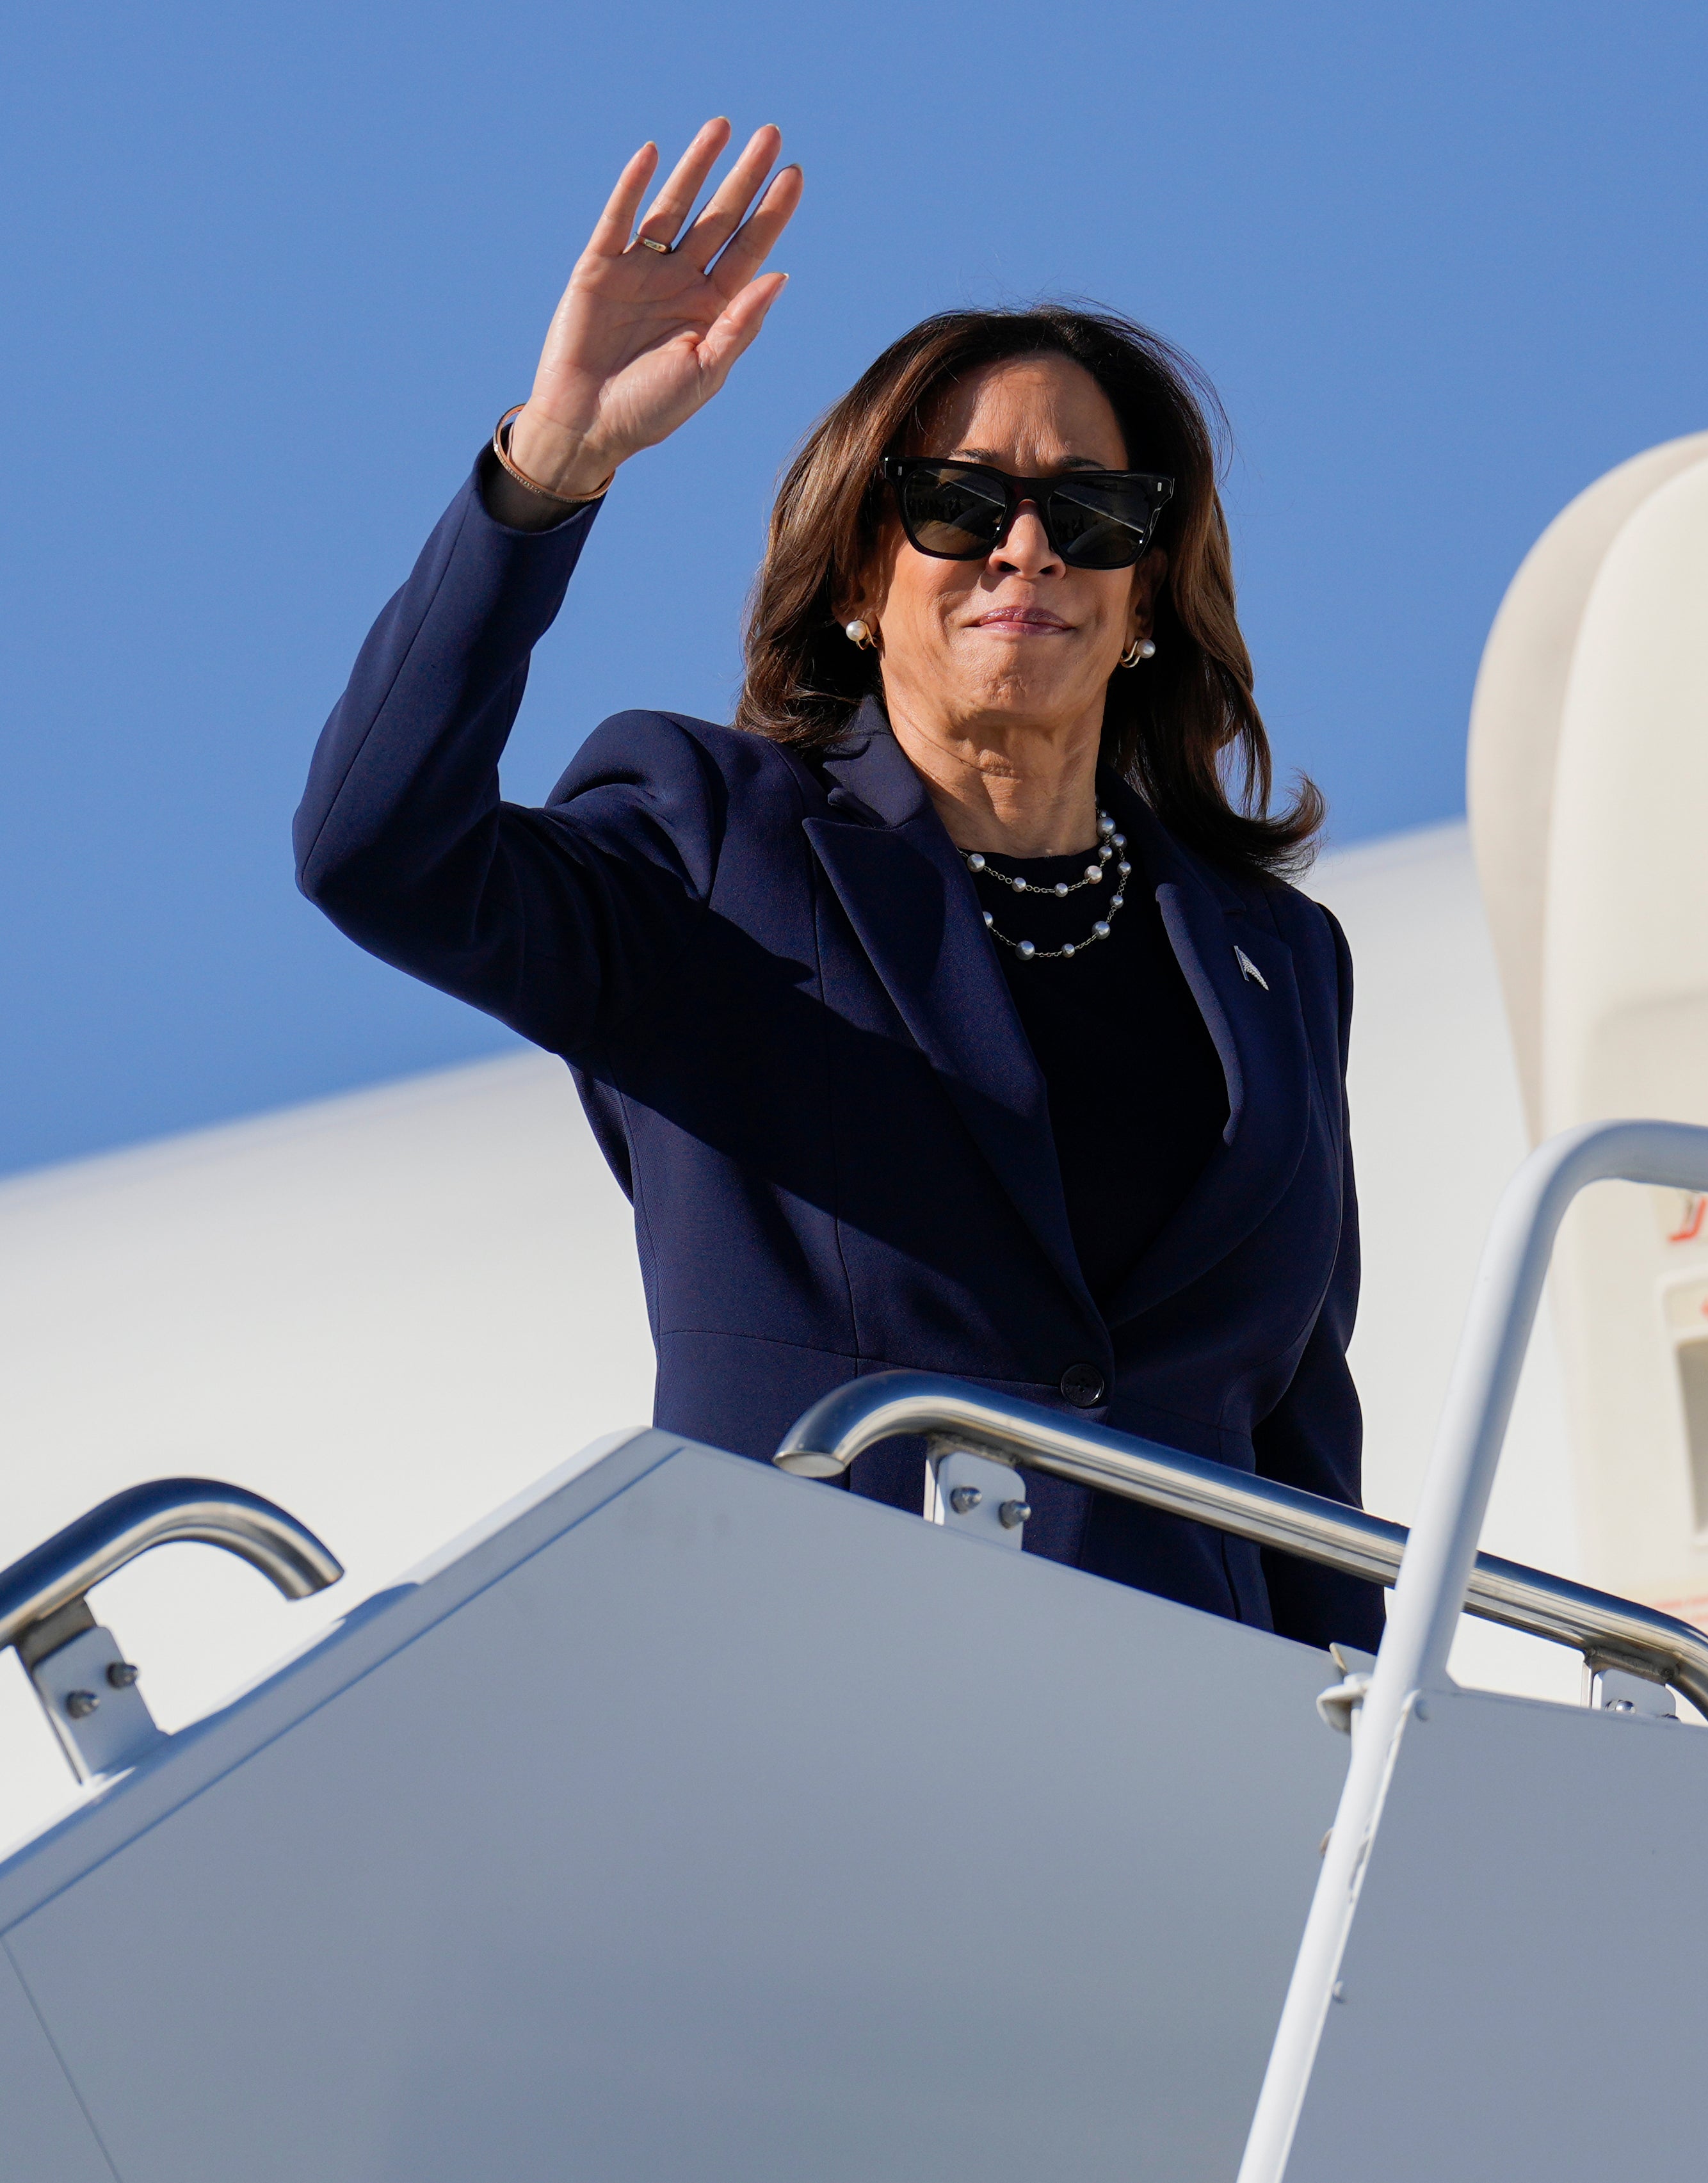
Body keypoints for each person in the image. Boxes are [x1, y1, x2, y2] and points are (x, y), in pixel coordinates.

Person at [296, 118, 1378, 1653]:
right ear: (863, 579)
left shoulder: (1278, 963)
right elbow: (373, 851)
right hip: (818, 1733)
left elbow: (1300, 1471)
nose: (1025, 549)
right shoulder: (711, 844)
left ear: (1144, 593)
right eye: (958, 503)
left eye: (1089, 513)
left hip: (1196, 1784)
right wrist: (551, 466)